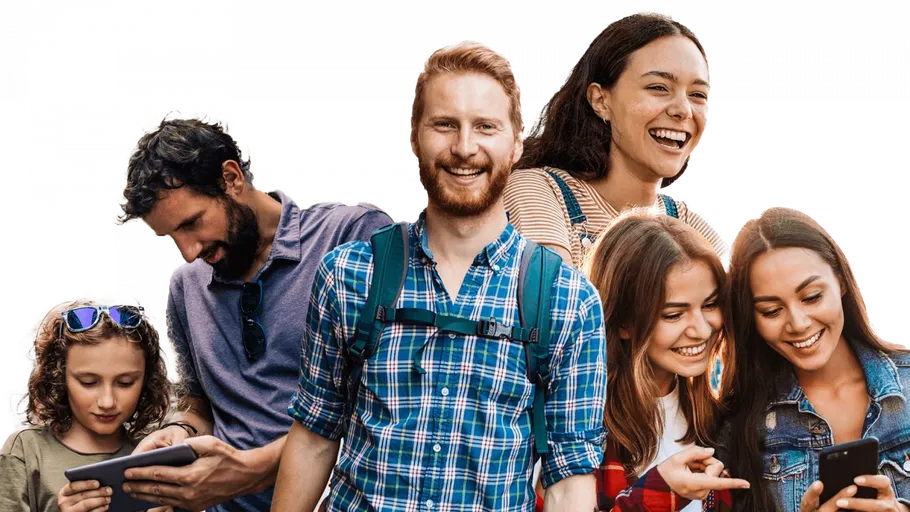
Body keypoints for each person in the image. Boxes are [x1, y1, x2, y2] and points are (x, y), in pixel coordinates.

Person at [272, 39, 608, 512]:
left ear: (515, 145)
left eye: (485, 127)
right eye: (445, 125)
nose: (464, 148)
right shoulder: (348, 274)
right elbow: (314, 435)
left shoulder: (567, 300)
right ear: (415, 137)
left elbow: (569, 478)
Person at [112, 109, 394, 511]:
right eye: (171, 236)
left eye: (192, 223)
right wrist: (178, 430)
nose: (189, 251)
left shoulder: (354, 235)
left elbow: (390, 399)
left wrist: (249, 470)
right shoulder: (184, 286)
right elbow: (199, 402)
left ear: (231, 178)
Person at [544, 209, 748, 511]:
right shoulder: (578, 423)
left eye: (710, 305)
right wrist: (659, 493)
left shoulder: (719, 419)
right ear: (624, 322)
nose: (702, 329)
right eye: (673, 314)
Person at [503, 9, 728, 271]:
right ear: (600, 100)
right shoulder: (539, 192)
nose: (684, 110)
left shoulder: (694, 228)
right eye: (658, 88)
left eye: (698, 95)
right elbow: (555, 305)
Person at [719, 205, 910, 511]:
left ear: (840, 281)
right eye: (771, 311)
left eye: (812, 297)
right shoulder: (739, 423)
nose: (798, 323)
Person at [1, 294, 172, 512]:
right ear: (59, 376)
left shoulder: (155, 453)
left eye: (125, 383)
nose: (108, 402)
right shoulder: (26, 449)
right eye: (89, 382)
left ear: (147, 380)